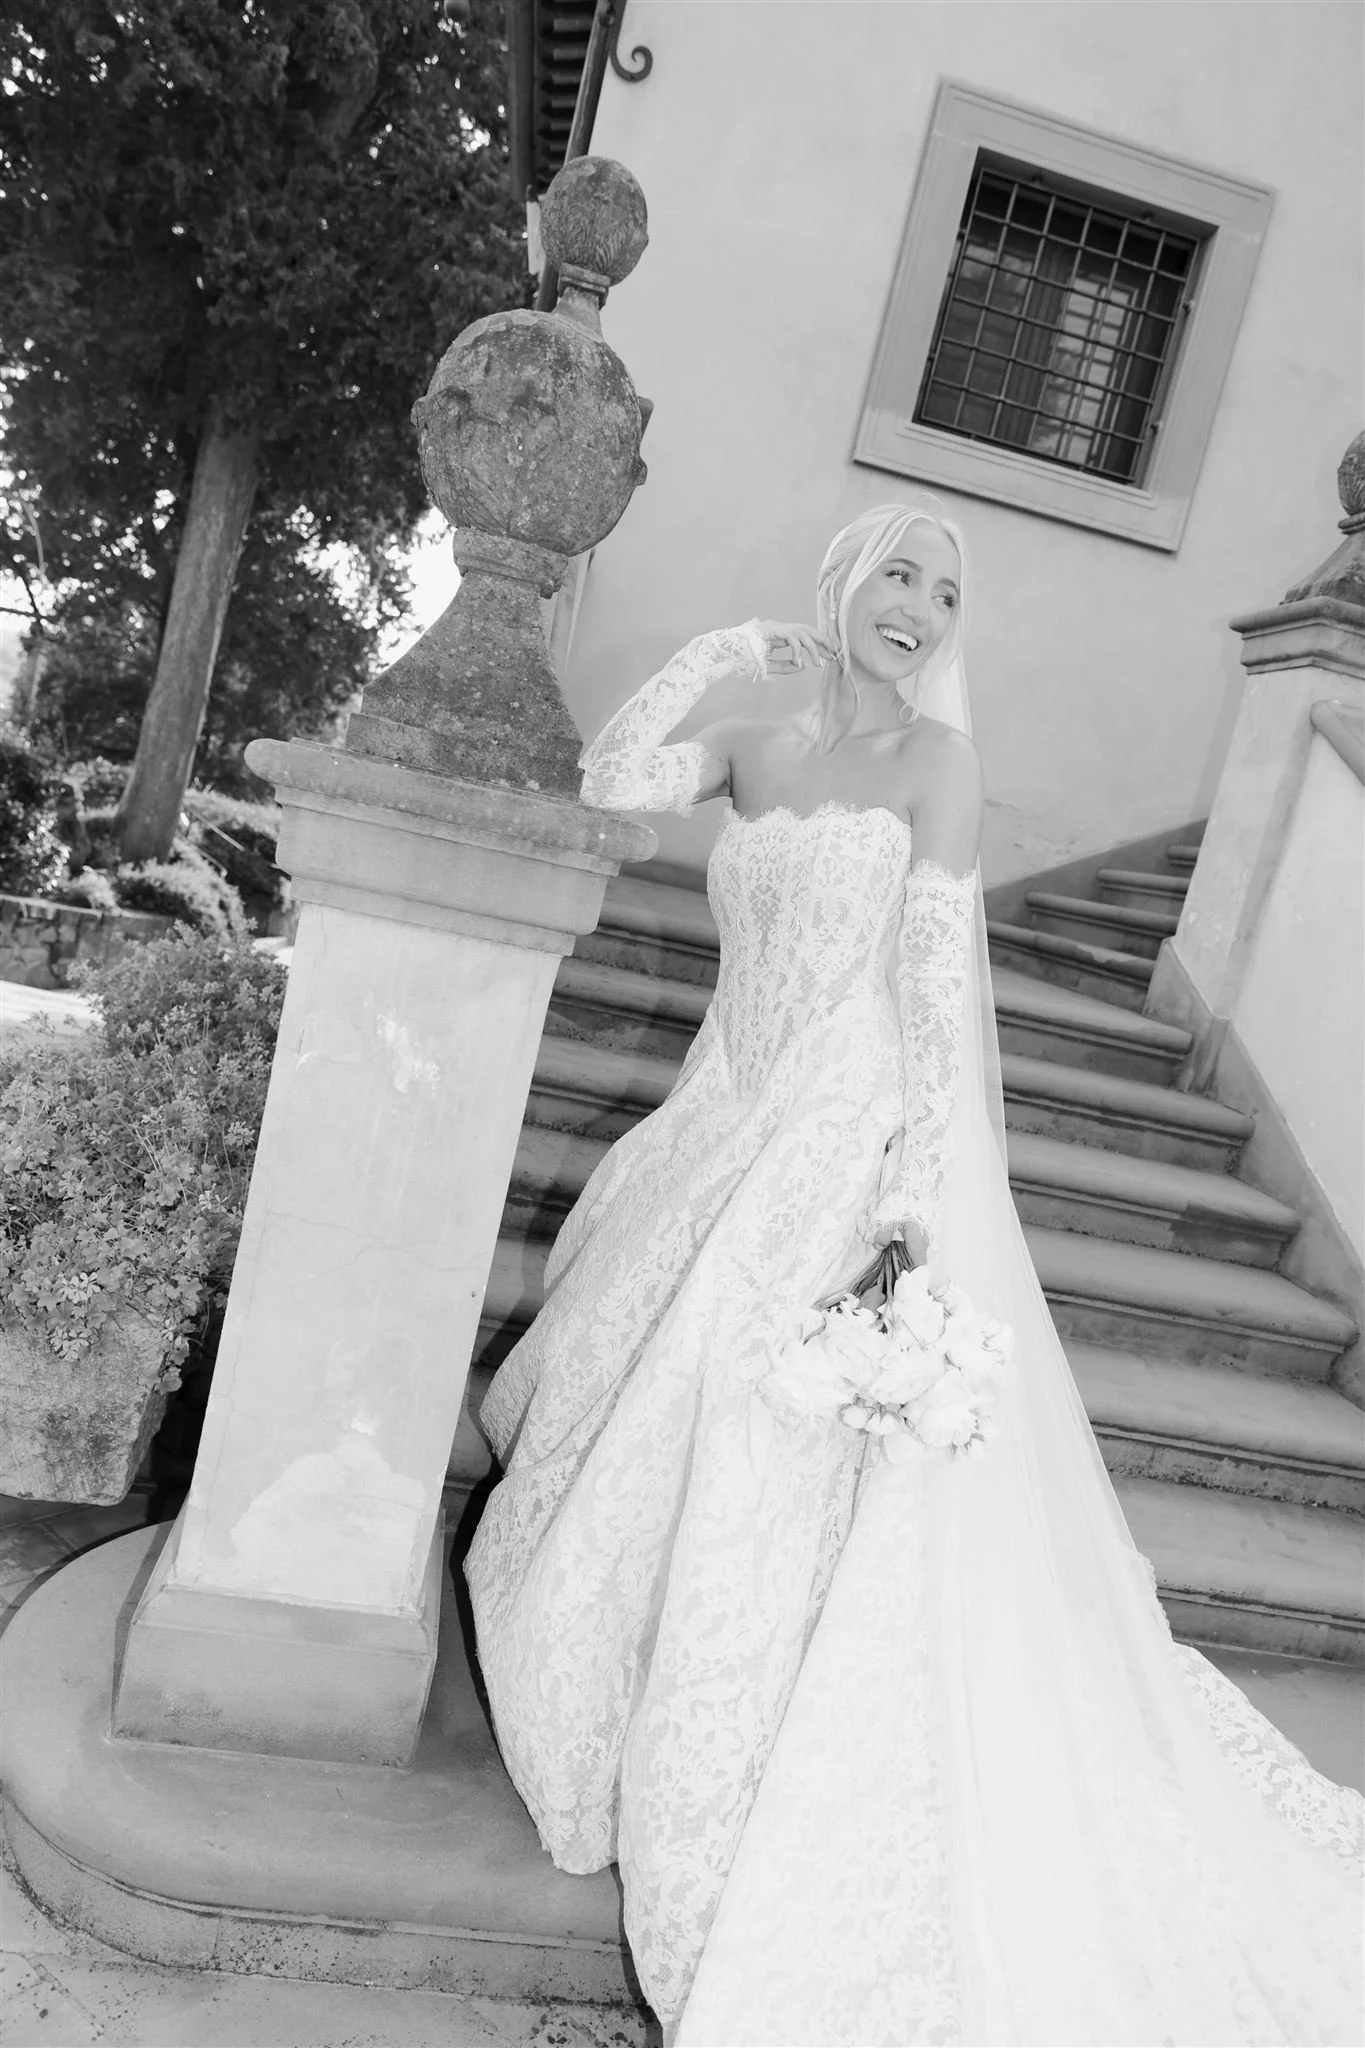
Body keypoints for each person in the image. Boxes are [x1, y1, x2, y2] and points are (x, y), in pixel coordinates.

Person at [466, 501, 1363, 2045]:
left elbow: (937, 996)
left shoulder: (938, 766)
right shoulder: (757, 736)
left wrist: (913, 1202)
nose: (919, 607)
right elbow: (610, 783)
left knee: (744, 1409)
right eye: (898, 572)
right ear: (841, 579)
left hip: (847, 1129)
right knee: (644, 1374)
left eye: (945, 591)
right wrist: (714, 658)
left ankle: (741, 1717)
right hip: (726, 1106)